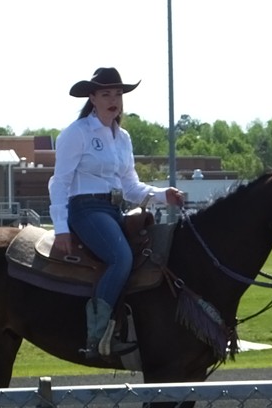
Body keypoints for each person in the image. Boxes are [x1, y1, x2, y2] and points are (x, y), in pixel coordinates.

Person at [48, 67, 185, 359]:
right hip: (85, 209)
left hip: (114, 209)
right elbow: (59, 182)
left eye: (118, 94)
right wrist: (61, 227)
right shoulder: (77, 133)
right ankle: (96, 337)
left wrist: (164, 195)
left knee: (150, 254)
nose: (114, 100)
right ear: (92, 98)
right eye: (106, 94)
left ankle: (131, 328)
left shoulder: (122, 137)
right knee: (120, 257)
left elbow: (131, 186)